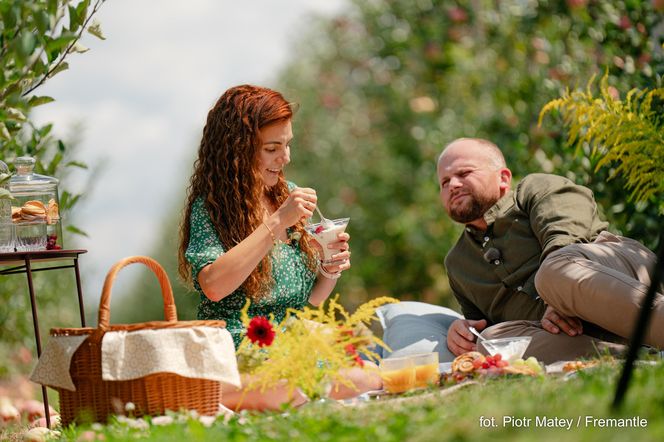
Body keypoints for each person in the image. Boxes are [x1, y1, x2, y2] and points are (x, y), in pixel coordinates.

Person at [177, 84, 380, 408]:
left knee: (370, 375)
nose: (285, 158)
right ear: (237, 149)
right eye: (272, 148)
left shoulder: (288, 195)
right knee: (287, 390)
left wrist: (329, 266)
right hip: (242, 349)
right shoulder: (212, 208)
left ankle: (300, 392)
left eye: (287, 145)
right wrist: (275, 224)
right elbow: (213, 285)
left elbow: (312, 298)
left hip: (294, 345)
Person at [437, 137, 663, 364]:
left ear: (503, 178)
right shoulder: (457, 264)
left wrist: (554, 299)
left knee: (555, 270)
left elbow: (566, 240)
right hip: (576, 335)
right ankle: (638, 358)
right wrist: (463, 332)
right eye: (444, 183)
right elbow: (487, 327)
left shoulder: (533, 189)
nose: (453, 186)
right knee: (489, 342)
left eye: (464, 173)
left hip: (625, 276)